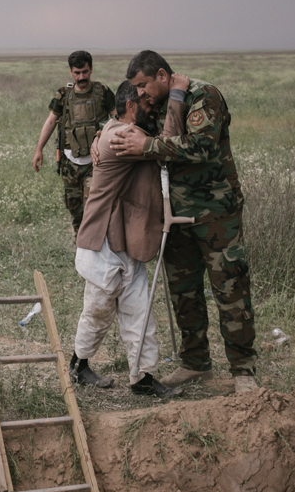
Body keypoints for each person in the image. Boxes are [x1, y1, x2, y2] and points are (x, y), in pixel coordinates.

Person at [110, 50, 258, 394]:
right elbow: (129, 124)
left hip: (216, 213)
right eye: (137, 88)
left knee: (231, 289)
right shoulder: (158, 104)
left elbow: (201, 147)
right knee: (184, 293)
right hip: (175, 216)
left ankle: (243, 370)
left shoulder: (203, 95)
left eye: (144, 85)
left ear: (162, 75)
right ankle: (195, 364)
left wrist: (148, 146)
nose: (141, 93)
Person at [70, 80, 179, 398]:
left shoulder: (116, 130)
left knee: (139, 310)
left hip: (125, 237)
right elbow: (167, 144)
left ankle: (142, 377)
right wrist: (177, 96)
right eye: (145, 104)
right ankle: (78, 364)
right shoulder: (122, 135)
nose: (151, 108)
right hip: (102, 240)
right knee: (98, 309)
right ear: (130, 106)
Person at [31, 50, 116, 235]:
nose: (81, 77)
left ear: (91, 69)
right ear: (70, 71)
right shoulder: (63, 94)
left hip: (96, 163)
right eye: (77, 73)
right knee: (75, 210)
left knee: (93, 209)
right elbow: (51, 121)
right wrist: (39, 150)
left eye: (85, 72)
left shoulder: (103, 92)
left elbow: (117, 119)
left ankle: (94, 244)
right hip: (70, 165)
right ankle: (80, 245)